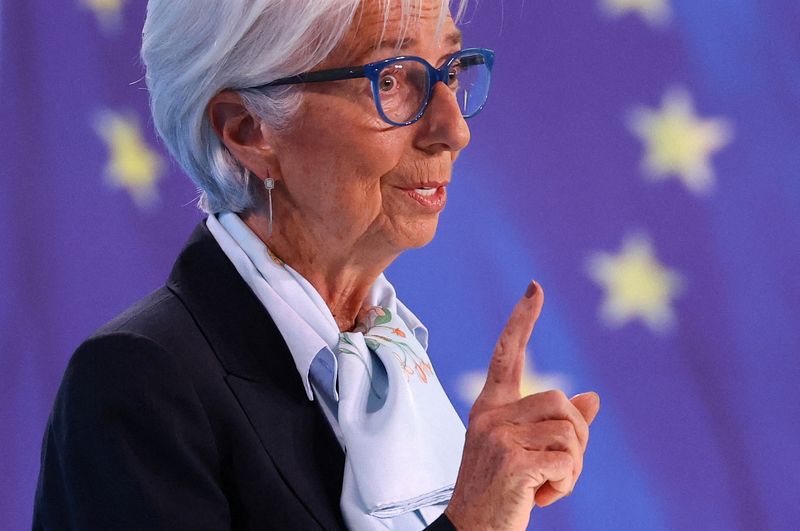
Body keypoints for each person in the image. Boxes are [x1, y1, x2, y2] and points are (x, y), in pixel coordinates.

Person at [33, 0, 600, 529]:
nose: (454, 129)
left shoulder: (393, 363)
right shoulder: (137, 384)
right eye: (391, 79)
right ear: (248, 130)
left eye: (449, 71)